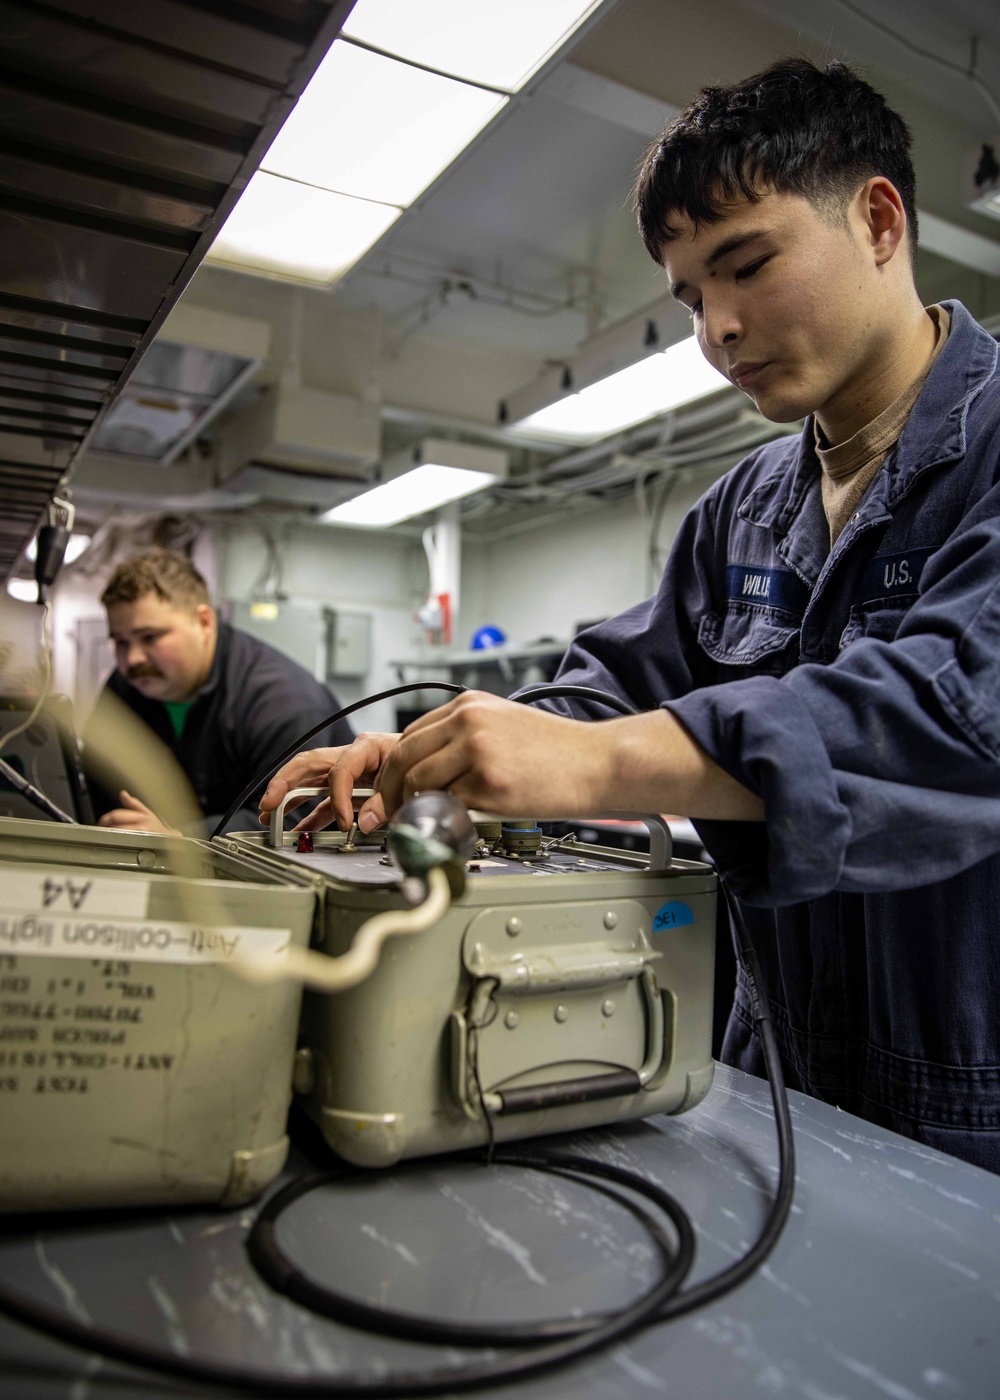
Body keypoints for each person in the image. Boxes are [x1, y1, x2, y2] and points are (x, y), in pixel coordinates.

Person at [259, 59, 1000, 1172]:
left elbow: (954, 712)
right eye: (693, 297)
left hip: (972, 1106)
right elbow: (603, 687)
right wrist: (437, 751)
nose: (719, 329)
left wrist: (604, 765)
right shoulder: (739, 512)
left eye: (746, 265)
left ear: (880, 219)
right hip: (772, 1074)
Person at [85, 549, 353, 833]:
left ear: (204, 622)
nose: (133, 659)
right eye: (121, 642)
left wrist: (180, 840)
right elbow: (96, 788)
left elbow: (291, 822)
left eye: (150, 637)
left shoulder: (281, 701)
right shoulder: (125, 687)